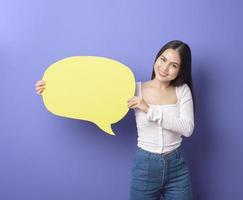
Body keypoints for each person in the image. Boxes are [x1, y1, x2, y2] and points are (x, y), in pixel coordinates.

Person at [35, 40, 195, 200]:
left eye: (174, 65)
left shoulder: (182, 91)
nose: (165, 68)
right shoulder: (134, 89)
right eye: (163, 59)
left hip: (177, 166)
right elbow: (89, 91)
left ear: (181, 70)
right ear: (157, 58)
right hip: (145, 166)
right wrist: (51, 87)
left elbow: (187, 129)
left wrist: (148, 109)